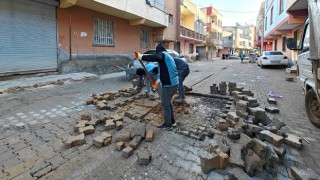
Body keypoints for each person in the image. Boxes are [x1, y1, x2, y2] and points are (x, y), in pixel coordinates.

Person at [135, 44, 178, 130]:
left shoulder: (163, 55)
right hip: (174, 84)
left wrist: (141, 56)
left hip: (169, 85)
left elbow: (156, 57)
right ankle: (172, 122)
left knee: (165, 105)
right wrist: (157, 82)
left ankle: (167, 125)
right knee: (168, 103)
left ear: (159, 51)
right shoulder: (168, 57)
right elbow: (161, 73)